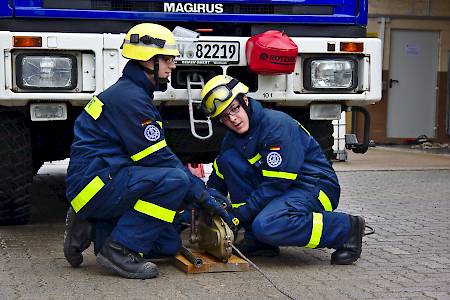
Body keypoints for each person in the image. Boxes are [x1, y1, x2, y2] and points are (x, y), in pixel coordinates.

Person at [63, 23, 230, 279]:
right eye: (167, 59)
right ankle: (117, 250)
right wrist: (202, 195)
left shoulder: (132, 93)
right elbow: (158, 158)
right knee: (175, 181)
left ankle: (91, 222)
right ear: (148, 60)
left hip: (100, 180)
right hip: (96, 184)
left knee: (167, 246)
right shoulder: (131, 100)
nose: (172, 66)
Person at [200, 75, 365, 265]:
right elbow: (218, 179)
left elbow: (276, 184)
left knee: (268, 224)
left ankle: (346, 230)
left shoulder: (276, 125)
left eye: (234, 109)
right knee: (229, 161)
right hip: (283, 188)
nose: (233, 119)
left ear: (245, 100)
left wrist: (239, 217)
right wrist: (206, 205)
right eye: (225, 117)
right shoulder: (231, 140)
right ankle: (259, 242)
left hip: (315, 186)